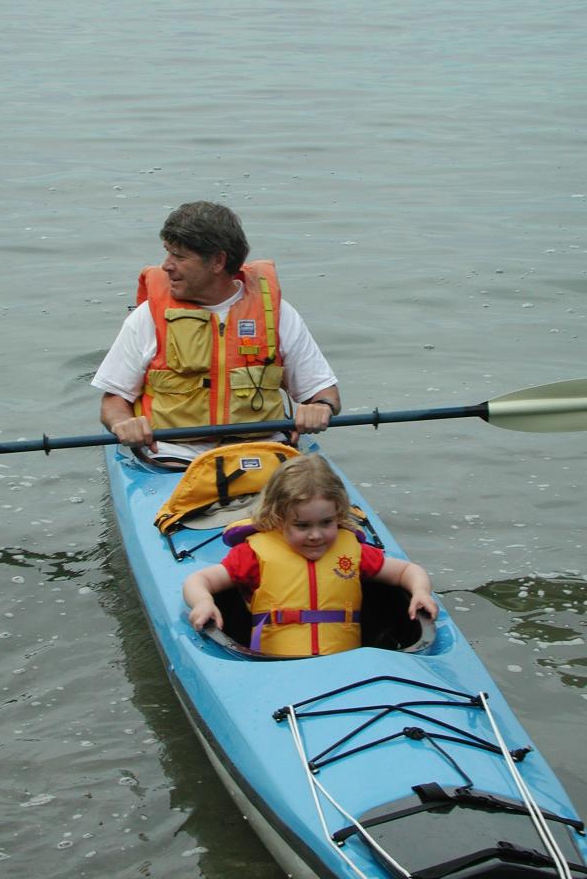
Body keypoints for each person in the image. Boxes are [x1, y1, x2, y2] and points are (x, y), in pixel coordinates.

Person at [91, 201, 341, 463]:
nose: (166, 265)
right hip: (171, 459)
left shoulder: (275, 314)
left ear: (218, 261)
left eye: (179, 256)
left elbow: (324, 392)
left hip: (263, 454)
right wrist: (123, 423)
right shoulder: (148, 317)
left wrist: (320, 407)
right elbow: (113, 401)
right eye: (168, 253)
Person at [183, 454, 438, 657]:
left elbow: (407, 571)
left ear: (338, 515)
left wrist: (420, 592)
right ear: (278, 518)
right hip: (277, 667)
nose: (315, 535)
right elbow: (199, 581)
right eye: (302, 526)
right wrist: (203, 602)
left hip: (348, 664)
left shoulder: (353, 552)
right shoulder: (253, 555)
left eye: (326, 523)